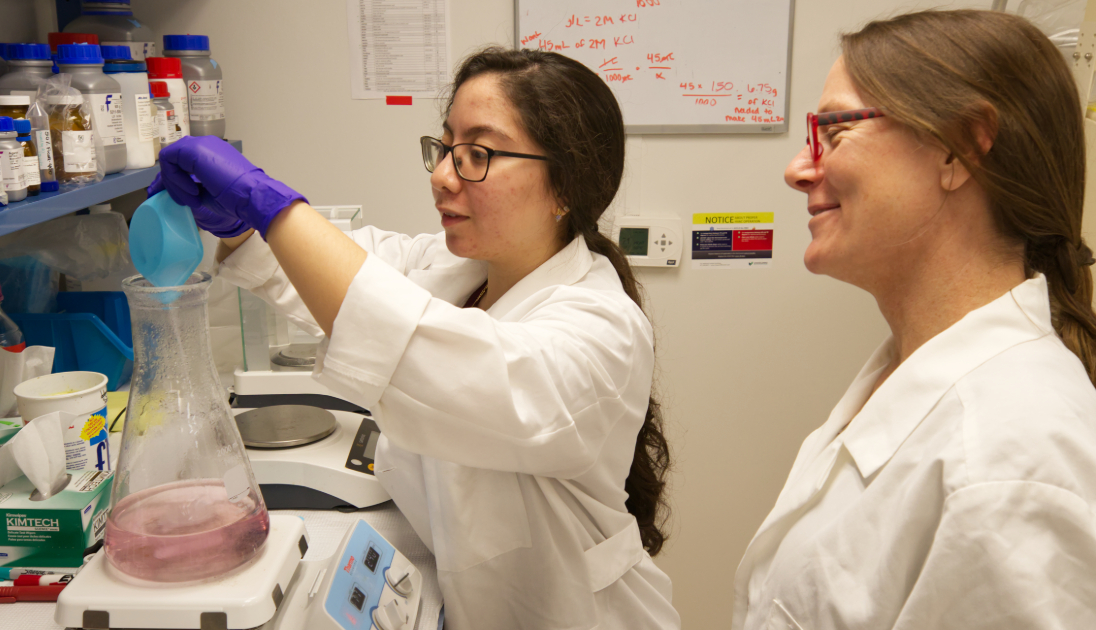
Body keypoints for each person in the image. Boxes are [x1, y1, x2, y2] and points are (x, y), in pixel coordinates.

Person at [148, 47, 681, 630]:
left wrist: (271, 206)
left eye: (477, 153)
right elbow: (356, 275)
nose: (441, 176)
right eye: (446, 147)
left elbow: (433, 354)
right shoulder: (459, 271)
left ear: (565, 186)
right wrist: (246, 227)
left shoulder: (601, 332)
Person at [733, 9, 1096, 630]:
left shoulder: (1010, 460)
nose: (798, 169)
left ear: (960, 148)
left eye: (834, 133)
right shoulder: (914, 379)